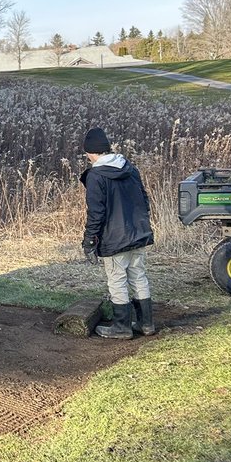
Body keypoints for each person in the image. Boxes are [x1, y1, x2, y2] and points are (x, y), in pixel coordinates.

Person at [80, 127, 155, 339]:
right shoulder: (130, 168)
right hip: (138, 233)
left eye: (87, 154)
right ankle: (146, 324)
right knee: (139, 276)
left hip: (114, 237)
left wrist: (89, 240)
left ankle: (121, 327)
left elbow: (96, 212)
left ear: (92, 152)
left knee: (117, 279)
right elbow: (144, 199)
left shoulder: (96, 176)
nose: (87, 157)